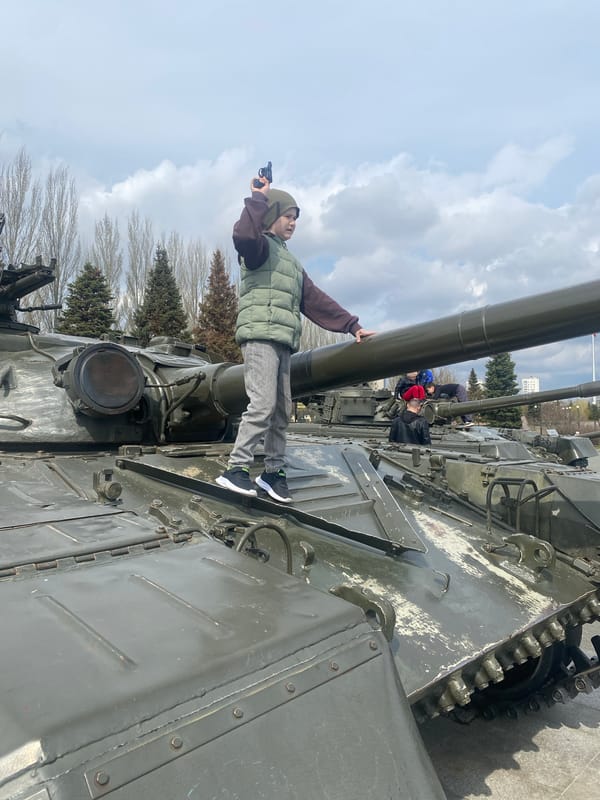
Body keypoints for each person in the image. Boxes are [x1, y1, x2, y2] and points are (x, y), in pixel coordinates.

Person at [216, 176, 374, 502]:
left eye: (296, 218)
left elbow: (314, 300)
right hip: (261, 335)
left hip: (283, 340)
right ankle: (237, 468)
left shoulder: (290, 263)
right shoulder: (257, 249)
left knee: (281, 410)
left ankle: (273, 473)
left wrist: (351, 325)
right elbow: (242, 234)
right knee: (261, 404)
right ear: (272, 214)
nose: (293, 223)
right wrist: (257, 198)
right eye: (288, 216)